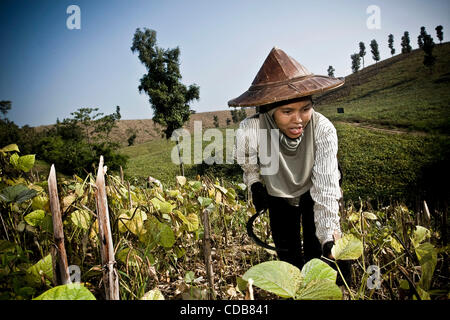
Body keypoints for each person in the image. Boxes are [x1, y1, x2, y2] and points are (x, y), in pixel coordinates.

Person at [230, 47, 350, 285]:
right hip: (277, 193)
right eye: (287, 112)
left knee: (317, 254)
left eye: (305, 109)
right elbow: (246, 160)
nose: (298, 119)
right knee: (288, 257)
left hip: (312, 190)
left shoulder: (323, 129)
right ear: (270, 112)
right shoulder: (251, 130)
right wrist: (254, 184)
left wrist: (329, 238)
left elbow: (325, 189)